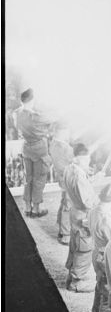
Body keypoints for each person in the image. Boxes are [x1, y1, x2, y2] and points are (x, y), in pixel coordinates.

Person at [63, 143, 98, 292]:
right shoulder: (79, 177)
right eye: (87, 160)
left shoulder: (69, 168)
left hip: (75, 212)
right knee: (85, 248)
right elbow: (87, 201)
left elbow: (79, 190)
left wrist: (91, 178)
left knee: (75, 244)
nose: (88, 162)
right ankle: (77, 282)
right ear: (81, 158)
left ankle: (71, 274)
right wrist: (99, 202)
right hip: (83, 214)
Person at [14, 88, 51, 217]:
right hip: (39, 148)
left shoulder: (16, 113)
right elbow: (48, 124)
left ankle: (27, 207)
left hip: (26, 148)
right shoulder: (36, 116)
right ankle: (36, 209)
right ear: (32, 100)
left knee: (27, 178)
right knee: (39, 179)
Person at [89, 183, 111, 312]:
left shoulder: (93, 211)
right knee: (108, 292)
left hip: (96, 254)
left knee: (99, 287)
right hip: (105, 257)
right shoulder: (107, 219)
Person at [49, 124, 74, 244]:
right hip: (67, 177)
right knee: (68, 205)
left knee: (65, 201)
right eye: (67, 132)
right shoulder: (60, 146)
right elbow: (61, 166)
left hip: (64, 176)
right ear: (60, 132)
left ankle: (61, 227)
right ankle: (65, 234)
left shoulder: (56, 143)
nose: (68, 134)